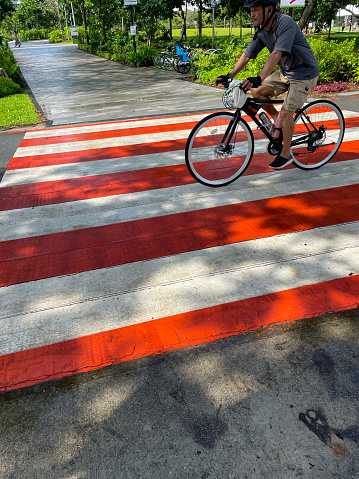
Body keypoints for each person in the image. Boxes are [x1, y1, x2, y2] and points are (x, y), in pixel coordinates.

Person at [215, 0, 319, 170]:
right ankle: (276, 122)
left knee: (287, 112)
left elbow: (277, 53)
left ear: (269, 9)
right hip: (286, 73)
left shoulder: (285, 23)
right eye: (251, 10)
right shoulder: (262, 31)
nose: (252, 14)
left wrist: (259, 77)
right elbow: (247, 55)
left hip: (304, 74)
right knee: (256, 92)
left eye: (256, 10)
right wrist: (229, 75)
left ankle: (286, 153)